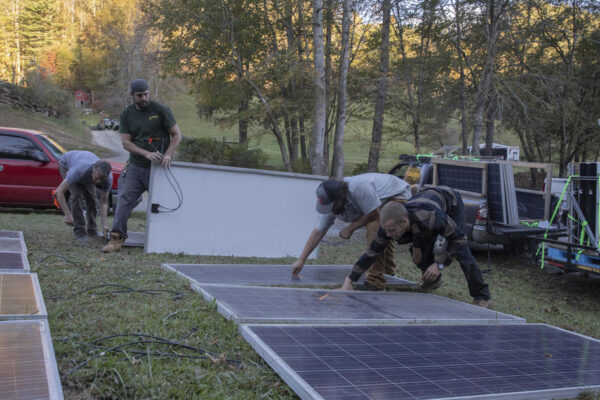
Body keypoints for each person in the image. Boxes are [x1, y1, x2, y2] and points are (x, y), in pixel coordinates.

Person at [340, 185, 492, 308]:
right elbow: (372, 252)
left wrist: (439, 264)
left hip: (451, 202)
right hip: (421, 208)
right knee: (417, 252)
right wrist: (350, 280)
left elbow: (460, 239)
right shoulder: (389, 225)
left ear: (403, 223)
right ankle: (433, 280)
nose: (388, 235)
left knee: (463, 253)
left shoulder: (433, 218)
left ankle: (482, 296)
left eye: (391, 231)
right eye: (386, 230)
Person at [292, 173, 412, 290]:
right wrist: (301, 260)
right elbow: (318, 231)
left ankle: (374, 282)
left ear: (340, 199)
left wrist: (350, 228)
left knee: (374, 225)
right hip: (378, 202)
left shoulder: (359, 187)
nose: (331, 210)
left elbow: (373, 213)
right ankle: (388, 273)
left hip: (397, 194)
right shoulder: (331, 201)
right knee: (382, 233)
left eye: (332, 206)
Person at [103, 78, 183, 253]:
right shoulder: (127, 115)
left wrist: (168, 154)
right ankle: (116, 239)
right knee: (124, 200)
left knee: (164, 203)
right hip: (136, 167)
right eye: (140, 95)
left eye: (146, 94)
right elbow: (126, 143)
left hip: (159, 169)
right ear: (132, 95)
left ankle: (169, 241)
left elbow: (177, 135)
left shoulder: (161, 110)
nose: (144, 98)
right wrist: (146, 154)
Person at [55, 150, 113, 243]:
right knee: (77, 195)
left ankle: (92, 231)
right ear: (93, 170)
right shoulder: (78, 170)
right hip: (67, 164)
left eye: (101, 179)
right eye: (97, 178)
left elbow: (104, 202)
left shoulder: (108, 179)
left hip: (84, 164)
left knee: (93, 201)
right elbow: (59, 192)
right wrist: (68, 214)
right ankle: (80, 232)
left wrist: (104, 225)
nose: (98, 181)